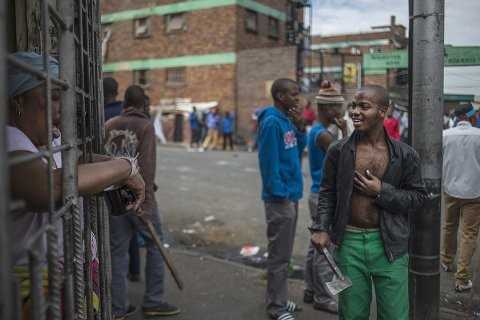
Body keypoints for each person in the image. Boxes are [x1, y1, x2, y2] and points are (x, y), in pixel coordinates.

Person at [7, 52, 145, 319]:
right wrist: (127, 167)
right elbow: (50, 186)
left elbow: (75, 160)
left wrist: (115, 168)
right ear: (18, 101)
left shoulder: (43, 138)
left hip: (65, 280)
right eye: (53, 97)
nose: (62, 109)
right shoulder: (10, 138)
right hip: (34, 291)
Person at [310, 85, 428, 320]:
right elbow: (327, 192)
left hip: (390, 246)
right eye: (354, 105)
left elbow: (417, 197)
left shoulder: (405, 154)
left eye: (364, 106)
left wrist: (381, 191)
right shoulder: (338, 150)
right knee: (352, 314)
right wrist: (321, 227)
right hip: (349, 244)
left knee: (395, 315)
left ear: (383, 111)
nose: (355, 111)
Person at [105, 85, 180, 319]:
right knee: (155, 248)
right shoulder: (145, 126)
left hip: (114, 199)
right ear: (142, 105)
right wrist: (145, 205)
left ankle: (118, 307)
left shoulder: (109, 125)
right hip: (138, 198)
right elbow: (146, 169)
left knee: (117, 254)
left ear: (125, 103)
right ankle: (153, 300)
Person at [257, 78, 306, 320]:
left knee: (284, 255)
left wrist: (301, 129)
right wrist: (282, 195)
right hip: (280, 200)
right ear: (279, 96)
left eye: (298, 94)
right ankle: (275, 307)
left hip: (291, 196)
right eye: (293, 94)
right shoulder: (271, 123)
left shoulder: (286, 122)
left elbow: (295, 155)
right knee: (278, 256)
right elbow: (269, 166)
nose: (297, 99)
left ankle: (280, 299)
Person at [303, 81, 345, 314]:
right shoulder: (323, 136)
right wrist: (346, 131)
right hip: (324, 197)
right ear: (328, 110)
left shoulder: (318, 131)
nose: (341, 112)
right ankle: (323, 297)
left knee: (315, 246)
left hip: (317, 194)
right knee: (325, 248)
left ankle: (310, 289)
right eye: (338, 108)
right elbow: (346, 157)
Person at [441, 104, 480, 292]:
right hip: (474, 192)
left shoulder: (445, 135)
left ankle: (446, 262)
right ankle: (462, 278)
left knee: (449, 227)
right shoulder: (479, 136)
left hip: (450, 190)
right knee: (468, 234)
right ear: (470, 117)